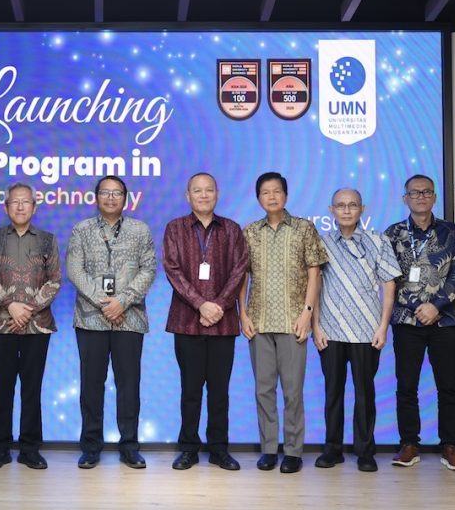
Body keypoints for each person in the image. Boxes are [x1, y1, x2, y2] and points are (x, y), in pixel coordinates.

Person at [67, 175, 157, 469]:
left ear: (125, 199)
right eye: (105, 192)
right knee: (91, 385)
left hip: (129, 319)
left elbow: (149, 269)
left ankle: (129, 446)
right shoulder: (81, 230)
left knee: (129, 385)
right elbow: (74, 270)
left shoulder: (140, 230)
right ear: (96, 198)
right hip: (91, 319)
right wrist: (103, 302)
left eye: (116, 193)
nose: (110, 197)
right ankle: (91, 447)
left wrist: (123, 301)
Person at [241, 172, 327, 474]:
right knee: (263, 390)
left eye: (277, 191)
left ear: (286, 196)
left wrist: (307, 313)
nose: (272, 196)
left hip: (294, 322)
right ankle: (268, 449)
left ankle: (292, 451)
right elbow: (242, 277)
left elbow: (315, 273)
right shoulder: (250, 232)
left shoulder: (304, 228)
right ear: (259, 198)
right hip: (259, 321)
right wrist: (243, 313)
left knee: (293, 391)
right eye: (265, 192)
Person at [163, 173, 248, 471]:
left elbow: (239, 270)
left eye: (208, 190)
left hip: (223, 323)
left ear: (217, 194)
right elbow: (172, 270)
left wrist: (219, 305)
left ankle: (218, 449)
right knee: (190, 390)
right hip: (187, 321)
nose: (203, 195)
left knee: (219, 391)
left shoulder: (232, 229)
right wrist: (201, 304)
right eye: (197, 191)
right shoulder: (175, 228)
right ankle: (188, 449)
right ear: (188, 196)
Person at [384, 174, 455, 471]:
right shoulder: (393, 233)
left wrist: (435, 306)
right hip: (407, 322)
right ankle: (409, 444)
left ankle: (450, 446)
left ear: (434, 197)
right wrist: (417, 307)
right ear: (405, 198)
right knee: (406, 385)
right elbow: (389, 278)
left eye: (426, 192)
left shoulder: (451, 231)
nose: (420, 197)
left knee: (448, 386)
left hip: (445, 322)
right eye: (415, 192)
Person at [312, 188, 400, 472]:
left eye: (352, 205)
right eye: (341, 205)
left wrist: (383, 327)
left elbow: (389, 286)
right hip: (330, 330)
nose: (347, 210)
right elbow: (313, 287)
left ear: (362, 209)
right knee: (332, 393)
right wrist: (315, 326)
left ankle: (365, 452)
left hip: (366, 330)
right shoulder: (321, 242)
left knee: (365, 393)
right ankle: (332, 450)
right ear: (331, 210)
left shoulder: (378, 240)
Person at [0, 183, 62, 470]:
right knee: (2, 389)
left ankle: (30, 449)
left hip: (37, 326)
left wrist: (29, 309)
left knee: (32, 389)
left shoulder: (47, 240)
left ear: (34, 207)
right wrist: (10, 305)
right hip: (1, 326)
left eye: (26, 202)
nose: (20, 206)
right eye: (15, 202)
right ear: (6, 207)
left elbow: (55, 280)